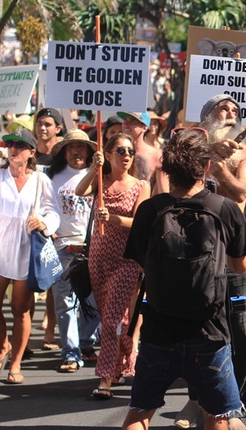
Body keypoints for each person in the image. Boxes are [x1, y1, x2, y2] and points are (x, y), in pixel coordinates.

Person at [121, 129, 246, 430]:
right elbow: (240, 266)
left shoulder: (150, 209)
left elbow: (142, 264)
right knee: (217, 416)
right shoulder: (224, 208)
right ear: (206, 166)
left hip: (158, 328)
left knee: (140, 413)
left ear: (166, 169)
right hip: (210, 331)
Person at [175, 94, 246, 429]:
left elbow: (240, 193)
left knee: (240, 332)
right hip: (198, 256)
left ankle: (238, 403)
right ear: (206, 116)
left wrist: (221, 166)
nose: (230, 113)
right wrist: (208, 152)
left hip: (234, 256)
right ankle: (198, 399)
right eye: (223, 108)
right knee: (200, 330)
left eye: (235, 110)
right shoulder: (193, 149)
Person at [76, 133, 150, 399]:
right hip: (99, 259)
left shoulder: (141, 186)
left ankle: (105, 377)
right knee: (115, 318)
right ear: (108, 155)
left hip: (126, 260)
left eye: (130, 151)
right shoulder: (100, 179)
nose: (127, 155)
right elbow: (79, 192)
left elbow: (140, 223)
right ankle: (124, 360)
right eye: (120, 150)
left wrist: (114, 219)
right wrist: (93, 168)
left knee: (111, 319)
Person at [0, 128, 60, 384]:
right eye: (10, 145)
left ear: (31, 152)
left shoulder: (41, 180)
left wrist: (44, 223)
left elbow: (53, 211)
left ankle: (16, 363)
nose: (13, 149)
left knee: (20, 310)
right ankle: (3, 345)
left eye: (19, 146)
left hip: (24, 252)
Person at [47, 129, 101, 372]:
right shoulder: (52, 177)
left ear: (89, 152)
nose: (76, 151)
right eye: (71, 147)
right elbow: (43, 207)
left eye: (81, 147)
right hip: (62, 248)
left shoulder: (98, 176)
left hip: (92, 248)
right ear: (64, 152)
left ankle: (86, 342)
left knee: (95, 301)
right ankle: (71, 353)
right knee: (65, 302)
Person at [117, 111, 161, 182]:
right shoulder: (114, 152)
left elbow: (162, 187)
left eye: (133, 121)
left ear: (144, 128)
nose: (126, 124)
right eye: (125, 120)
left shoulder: (156, 156)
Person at [34, 107, 65, 172]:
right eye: (39, 123)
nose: (42, 128)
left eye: (47, 125)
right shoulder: (28, 153)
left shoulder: (64, 156)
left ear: (58, 129)